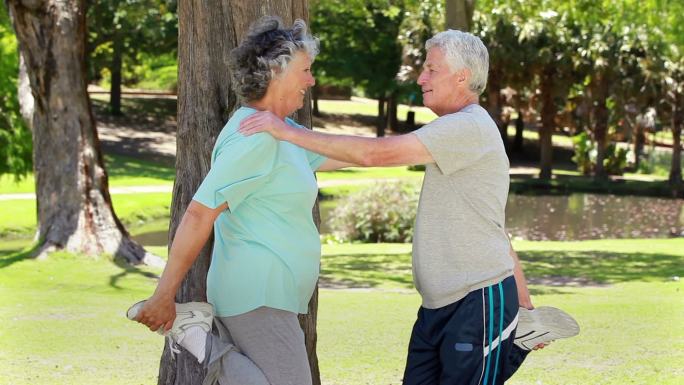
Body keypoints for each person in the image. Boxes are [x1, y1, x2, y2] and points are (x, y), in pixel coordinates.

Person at [239, 29, 579, 384]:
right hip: (437, 308)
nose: (421, 77)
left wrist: (286, 131)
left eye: (432, 69)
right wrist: (524, 303)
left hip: (477, 302)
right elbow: (494, 226)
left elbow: (377, 154)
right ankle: (519, 333)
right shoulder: (451, 131)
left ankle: (514, 341)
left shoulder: (469, 127)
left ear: (462, 76)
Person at [127, 16, 352, 385]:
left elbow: (352, 154)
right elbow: (200, 212)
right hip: (258, 294)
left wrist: (428, 144)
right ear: (277, 71)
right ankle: (191, 334)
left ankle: (195, 337)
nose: (311, 81)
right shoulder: (255, 136)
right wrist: (163, 295)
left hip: (268, 295)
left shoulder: (282, 132)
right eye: (306, 70)